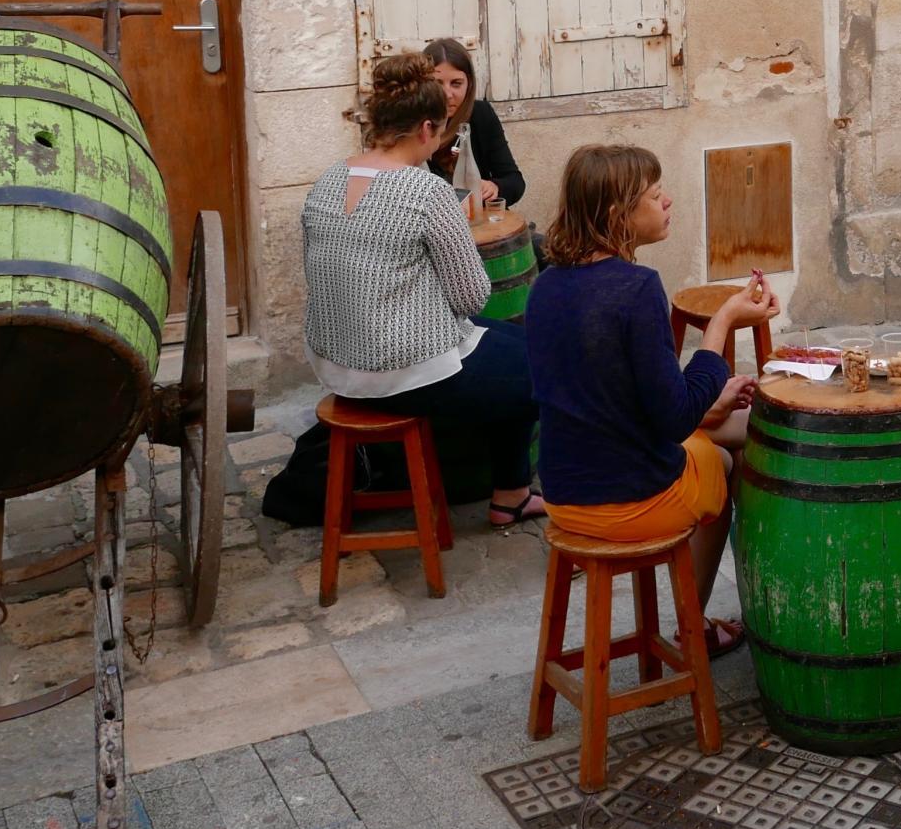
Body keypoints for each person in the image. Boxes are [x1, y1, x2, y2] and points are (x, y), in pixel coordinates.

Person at [524, 144, 776, 653]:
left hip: (565, 492)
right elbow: (673, 416)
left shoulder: (546, 286)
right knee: (727, 459)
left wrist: (710, 402)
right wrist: (723, 322)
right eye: (655, 195)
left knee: (737, 423)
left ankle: (702, 618)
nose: (667, 202)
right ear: (619, 213)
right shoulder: (637, 288)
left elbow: (613, 398)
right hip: (627, 499)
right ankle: (696, 624)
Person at [299, 54, 543, 528]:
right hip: (400, 371)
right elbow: (472, 298)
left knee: (517, 344)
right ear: (429, 129)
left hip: (335, 361)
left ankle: (509, 492)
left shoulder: (327, 181)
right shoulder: (425, 191)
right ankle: (515, 491)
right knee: (542, 366)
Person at [422, 36, 526, 206]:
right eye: (437, 84)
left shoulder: (480, 114)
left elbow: (515, 181)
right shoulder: (411, 119)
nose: (447, 94)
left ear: (469, 84)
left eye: (456, 84)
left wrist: (494, 187)